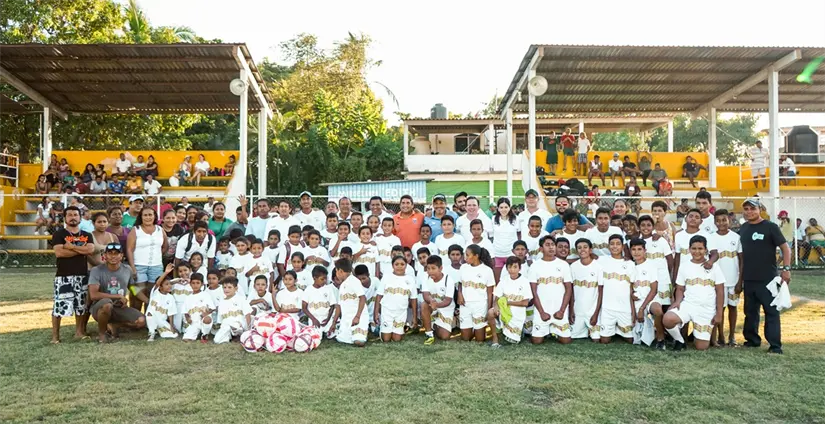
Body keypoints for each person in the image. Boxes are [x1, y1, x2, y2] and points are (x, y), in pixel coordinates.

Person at [739, 198, 792, 354]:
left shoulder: (770, 227)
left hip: (767, 278)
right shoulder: (743, 228)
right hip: (749, 278)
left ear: (760, 209)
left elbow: (785, 248)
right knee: (750, 311)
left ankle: (775, 345)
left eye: (752, 209)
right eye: (746, 209)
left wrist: (786, 268)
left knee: (771, 312)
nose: (749, 212)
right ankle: (752, 340)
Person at [664, 235, 725, 351]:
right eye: (694, 248)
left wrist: (719, 313)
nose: (697, 251)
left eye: (700, 248)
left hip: (706, 309)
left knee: (701, 347)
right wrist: (677, 301)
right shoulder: (684, 266)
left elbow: (720, 291)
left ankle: (698, 334)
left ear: (706, 250)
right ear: (689, 249)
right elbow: (680, 288)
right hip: (688, 304)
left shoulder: (715, 267)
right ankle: (680, 341)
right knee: (668, 319)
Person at [51, 206, 95, 343]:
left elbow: (91, 250)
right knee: (59, 305)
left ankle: (79, 332)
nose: (73, 217)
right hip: (63, 275)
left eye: (75, 214)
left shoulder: (87, 235)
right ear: (65, 218)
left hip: (82, 275)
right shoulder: (59, 234)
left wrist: (72, 247)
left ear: (80, 217)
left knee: (81, 305)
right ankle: (55, 337)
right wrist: (81, 250)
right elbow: (59, 253)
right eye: (69, 215)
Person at [88, 243, 146, 343]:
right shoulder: (96, 270)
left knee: (141, 321)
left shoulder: (127, 269)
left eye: (116, 253)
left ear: (121, 255)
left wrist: (148, 300)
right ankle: (102, 333)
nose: (113, 256)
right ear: (104, 255)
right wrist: (117, 296)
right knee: (107, 305)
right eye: (110, 253)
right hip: (100, 308)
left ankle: (114, 325)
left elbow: (132, 288)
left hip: (119, 307)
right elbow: (93, 295)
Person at [527, 236, 573, 345]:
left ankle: (554, 330)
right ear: (541, 249)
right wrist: (542, 312)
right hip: (542, 309)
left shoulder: (563, 265)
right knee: (537, 341)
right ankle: (546, 330)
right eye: (547, 245)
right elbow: (533, 292)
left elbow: (568, 289)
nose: (551, 247)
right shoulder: (535, 266)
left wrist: (562, 311)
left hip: (559, 309)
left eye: (553, 245)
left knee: (566, 341)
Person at [710, 209, 743, 347]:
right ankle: (721, 336)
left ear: (729, 220)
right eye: (718, 220)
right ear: (714, 222)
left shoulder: (736, 237)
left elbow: (741, 260)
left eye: (724, 220)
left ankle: (732, 336)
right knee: (720, 309)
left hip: (733, 279)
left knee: (733, 307)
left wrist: (740, 280)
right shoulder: (711, 237)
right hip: (719, 281)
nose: (721, 223)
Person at [126, 207, 168, 313]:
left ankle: (149, 316)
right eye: (145, 215)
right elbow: (129, 249)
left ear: (155, 216)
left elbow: (165, 246)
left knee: (153, 291)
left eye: (150, 215)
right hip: (139, 265)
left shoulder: (160, 229)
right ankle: (136, 316)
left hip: (156, 266)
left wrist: (157, 256)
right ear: (141, 216)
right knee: (137, 291)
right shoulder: (136, 230)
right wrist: (133, 267)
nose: (148, 217)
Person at [597, 235, 636, 344]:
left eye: (618, 244)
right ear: (608, 246)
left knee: (630, 340)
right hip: (607, 308)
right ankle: (612, 329)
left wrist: (633, 311)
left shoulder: (630, 264)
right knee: (604, 340)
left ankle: (619, 329)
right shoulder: (601, 261)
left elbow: (632, 288)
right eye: (612, 244)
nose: (615, 246)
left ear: (623, 246)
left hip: (624, 308)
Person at [487, 256, 532, 347]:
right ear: (507, 268)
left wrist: (508, 302)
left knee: (513, 341)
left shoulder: (525, 282)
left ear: (520, 268)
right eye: (510, 267)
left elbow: (525, 303)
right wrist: (496, 306)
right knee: (491, 312)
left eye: (515, 267)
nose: (512, 270)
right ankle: (495, 339)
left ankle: (520, 330)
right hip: (504, 310)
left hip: (517, 312)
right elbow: (497, 296)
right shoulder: (504, 281)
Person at [374, 256, 417, 342]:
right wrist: (375, 313)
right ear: (392, 266)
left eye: (402, 264)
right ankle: (382, 329)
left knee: (397, 339)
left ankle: (397, 329)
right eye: (396, 264)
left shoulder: (410, 279)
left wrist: (414, 317)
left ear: (406, 265)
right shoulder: (386, 277)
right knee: (386, 339)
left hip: (401, 312)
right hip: (387, 310)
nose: (399, 266)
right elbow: (379, 295)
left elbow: (413, 299)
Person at [456, 244, 495, 342]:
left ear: (476, 256)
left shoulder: (487, 270)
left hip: (480, 304)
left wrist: (488, 309)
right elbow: (460, 284)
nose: (465, 257)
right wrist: (460, 294)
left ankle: (479, 330)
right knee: (465, 338)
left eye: (467, 254)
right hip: (465, 304)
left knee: (480, 340)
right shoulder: (463, 268)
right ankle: (471, 330)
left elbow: (490, 292)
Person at [569, 238, 602, 342]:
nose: (582, 250)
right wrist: (571, 310)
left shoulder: (598, 266)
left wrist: (596, 313)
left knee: (597, 339)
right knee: (570, 337)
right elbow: (572, 291)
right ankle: (583, 330)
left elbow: (601, 292)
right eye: (579, 248)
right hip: (578, 310)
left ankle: (589, 330)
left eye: (585, 247)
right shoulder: (573, 266)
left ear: (590, 250)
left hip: (592, 311)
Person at [420, 255, 455, 345]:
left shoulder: (448, 280)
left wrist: (437, 305)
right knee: (424, 304)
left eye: (433, 268)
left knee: (444, 337)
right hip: (432, 306)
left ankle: (433, 323)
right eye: (428, 268)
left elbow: (448, 301)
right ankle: (429, 334)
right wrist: (432, 301)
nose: (430, 271)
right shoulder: (426, 277)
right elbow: (425, 295)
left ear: (440, 268)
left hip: (445, 308)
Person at [334, 259, 369, 347]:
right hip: (347, 319)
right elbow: (339, 305)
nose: (336, 274)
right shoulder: (342, 285)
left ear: (340, 271)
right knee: (341, 339)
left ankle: (362, 331)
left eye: (336, 271)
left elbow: (363, 298)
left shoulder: (354, 281)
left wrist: (357, 317)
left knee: (359, 341)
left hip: (358, 317)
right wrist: (334, 322)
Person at [214, 276, 253, 344]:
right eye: (224, 287)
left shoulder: (241, 299)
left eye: (229, 287)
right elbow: (221, 320)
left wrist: (248, 330)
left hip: (239, 325)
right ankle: (229, 338)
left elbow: (247, 314)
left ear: (236, 288)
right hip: (226, 325)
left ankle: (240, 335)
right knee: (217, 340)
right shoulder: (221, 302)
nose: (226, 290)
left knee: (236, 326)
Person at [145, 264, 179, 341]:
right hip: (152, 318)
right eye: (166, 284)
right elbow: (157, 283)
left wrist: (171, 326)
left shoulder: (170, 297)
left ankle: (159, 330)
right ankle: (151, 333)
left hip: (161, 321)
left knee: (173, 335)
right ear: (160, 287)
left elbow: (171, 313)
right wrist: (166, 272)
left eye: (170, 284)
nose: (169, 286)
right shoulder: (155, 292)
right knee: (149, 314)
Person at [303, 266, 339, 338]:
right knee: (315, 336)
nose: (325, 281)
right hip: (314, 320)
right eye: (322, 279)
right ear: (314, 278)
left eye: (326, 278)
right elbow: (304, 308)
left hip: (326, 319)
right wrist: (314, 319)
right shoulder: (308, 290)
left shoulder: (328, 289)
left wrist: (328, 319)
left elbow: (332, 306)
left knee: (334, 335)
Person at [491, 198, 520, 282]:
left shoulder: (516, 219)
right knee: (498, 281)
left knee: (512, 279)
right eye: (501, 207)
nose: (504, 209)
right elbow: (491, 235)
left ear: (509, 207)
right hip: (497, 254)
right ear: (498, 208)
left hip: (511, 254)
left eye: (506, 207)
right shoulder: (493, 219)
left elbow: (519, 234)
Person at [182, 273, 215, 342]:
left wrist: (205, 313)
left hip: (203, 319)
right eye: (193, 283)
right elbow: (185, 311)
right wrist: (188, 319)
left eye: (198, 283)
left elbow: (212, 308)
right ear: (190, 284)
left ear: (202, 284)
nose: (195, 285)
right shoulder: (187, 297)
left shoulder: (205, 295)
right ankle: (196, 332)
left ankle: (205, 334)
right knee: (186, 340)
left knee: (207, 319)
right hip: (194, 322)